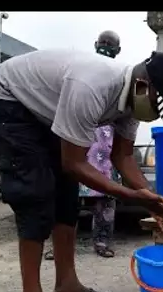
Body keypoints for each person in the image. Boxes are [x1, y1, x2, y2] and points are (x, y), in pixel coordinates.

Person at [0, 48, 163, 292]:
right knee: (35, 195)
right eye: (157, 105)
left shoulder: (133, 101)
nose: (154, 115)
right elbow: (74, 163)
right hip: (10, 99)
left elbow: (122, 156)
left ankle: (67, 285)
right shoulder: (91, 87)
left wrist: (153, 198)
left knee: (67, 196)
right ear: (143, 85)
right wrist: (132, 196)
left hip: (48, 109)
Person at [44, 31, 123, 261]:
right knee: (67, 200)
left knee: (105, 201)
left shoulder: (118, 78)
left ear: (118, 51)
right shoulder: (84, 72)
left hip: (105, 150)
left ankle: (102, 242)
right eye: (104, 43)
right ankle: (59, 247)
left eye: (111, 45)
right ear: (95, 45)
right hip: (78, 141)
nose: (106, 47)